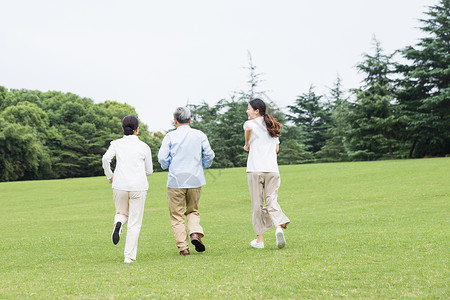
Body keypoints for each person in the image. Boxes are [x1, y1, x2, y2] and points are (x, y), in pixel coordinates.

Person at [158, 107, 215, 256]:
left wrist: (168, 165)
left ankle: (183, 248)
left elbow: (162, 158)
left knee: (177, 215)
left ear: (175, 121)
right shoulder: (199, 135)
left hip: (176, 181)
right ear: (190, 120)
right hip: (195, 179)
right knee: (192, 210)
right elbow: (209, 154)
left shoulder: (170, 137)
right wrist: (203, 165)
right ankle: (195, 233)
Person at [102, 115, 153, 263]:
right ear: (137, 129)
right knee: (134, 223)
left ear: (123, 128)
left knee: (121, 213)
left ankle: (118, 222)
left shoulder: (116, 144)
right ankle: (129, 256)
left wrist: (109, 175)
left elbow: (105, 159)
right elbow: (149, 171)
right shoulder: (144, 146)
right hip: (138, 186)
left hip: (119, 185)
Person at [243, 98, 290, 249]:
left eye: (249, 108)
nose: (247, 111)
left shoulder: (249, 123)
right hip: (272, 170)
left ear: (256, 111)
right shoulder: (272, 125)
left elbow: (248, 130)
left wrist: (247, 144)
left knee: (257, 204)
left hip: (255, 170)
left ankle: (259, 240)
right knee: (271, 200)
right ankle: (278, 227)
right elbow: (276, 149)